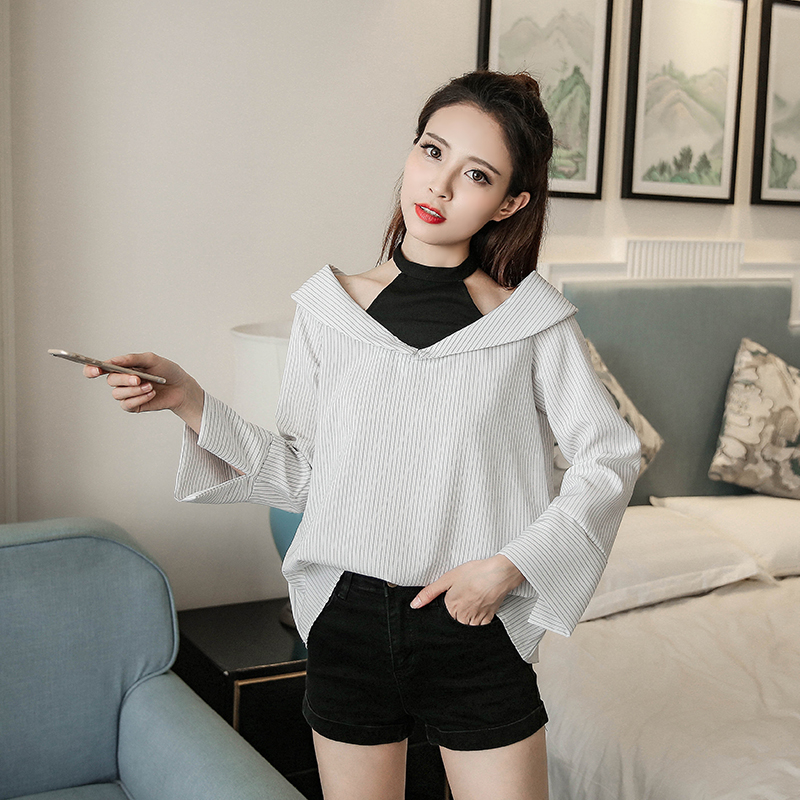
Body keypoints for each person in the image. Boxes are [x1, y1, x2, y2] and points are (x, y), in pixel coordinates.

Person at [86, 70, 640, 800]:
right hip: (348, 620)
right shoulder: (330, 311)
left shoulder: (531, 323)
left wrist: (509, 566)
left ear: (510, 202)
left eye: (476, 174)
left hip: (475, 620)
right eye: (431, 151)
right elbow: (302, 473)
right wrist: (188, 400)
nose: (439, 185)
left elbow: (610, 456)